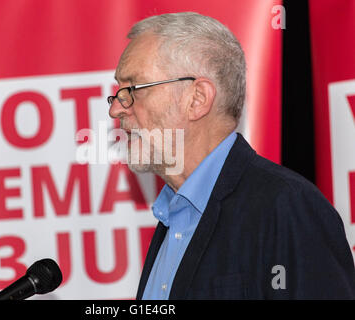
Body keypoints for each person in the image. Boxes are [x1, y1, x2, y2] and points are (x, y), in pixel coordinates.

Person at [107, 12, 355, 299]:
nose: (116, 109)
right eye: (118, 92)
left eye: (133, 89)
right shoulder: (173, 216)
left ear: (197, 99)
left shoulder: (288, 206)